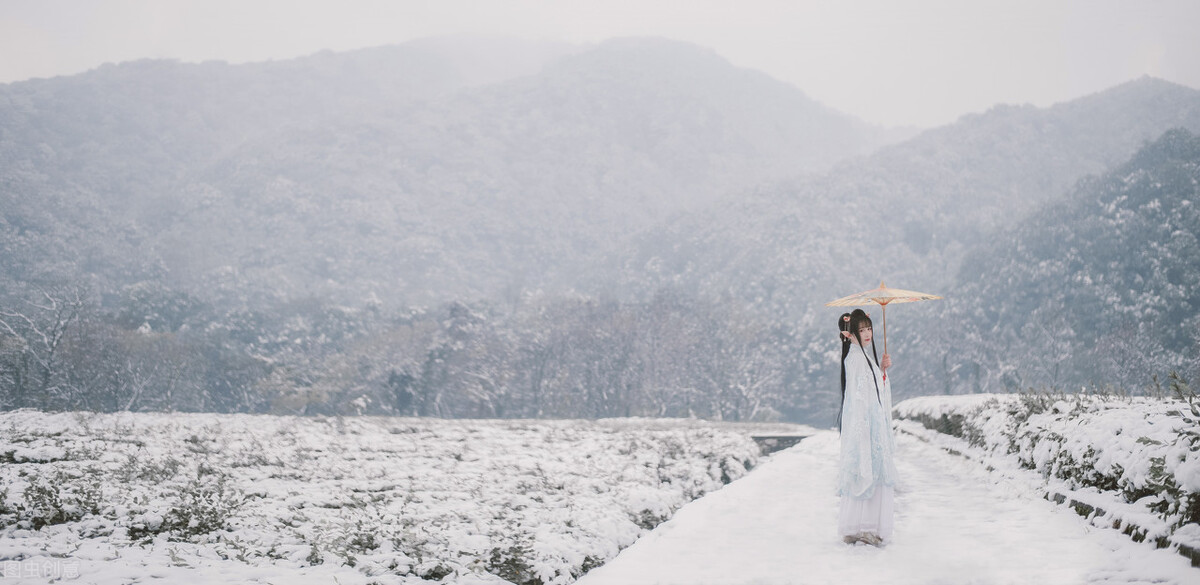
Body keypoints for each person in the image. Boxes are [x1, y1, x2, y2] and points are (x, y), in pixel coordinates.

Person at [836, 308, 897, 546]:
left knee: (869, 471)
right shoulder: (856, 356)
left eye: (869, 328)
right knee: (868, 470)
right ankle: (867, 526)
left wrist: (881, 371)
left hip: (869, 423)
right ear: (851, 333)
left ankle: (860, 525)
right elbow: (860, 396)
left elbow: (873, 391)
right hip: (865, 424)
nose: (867, 333)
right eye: (861, 330)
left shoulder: (862, 356)